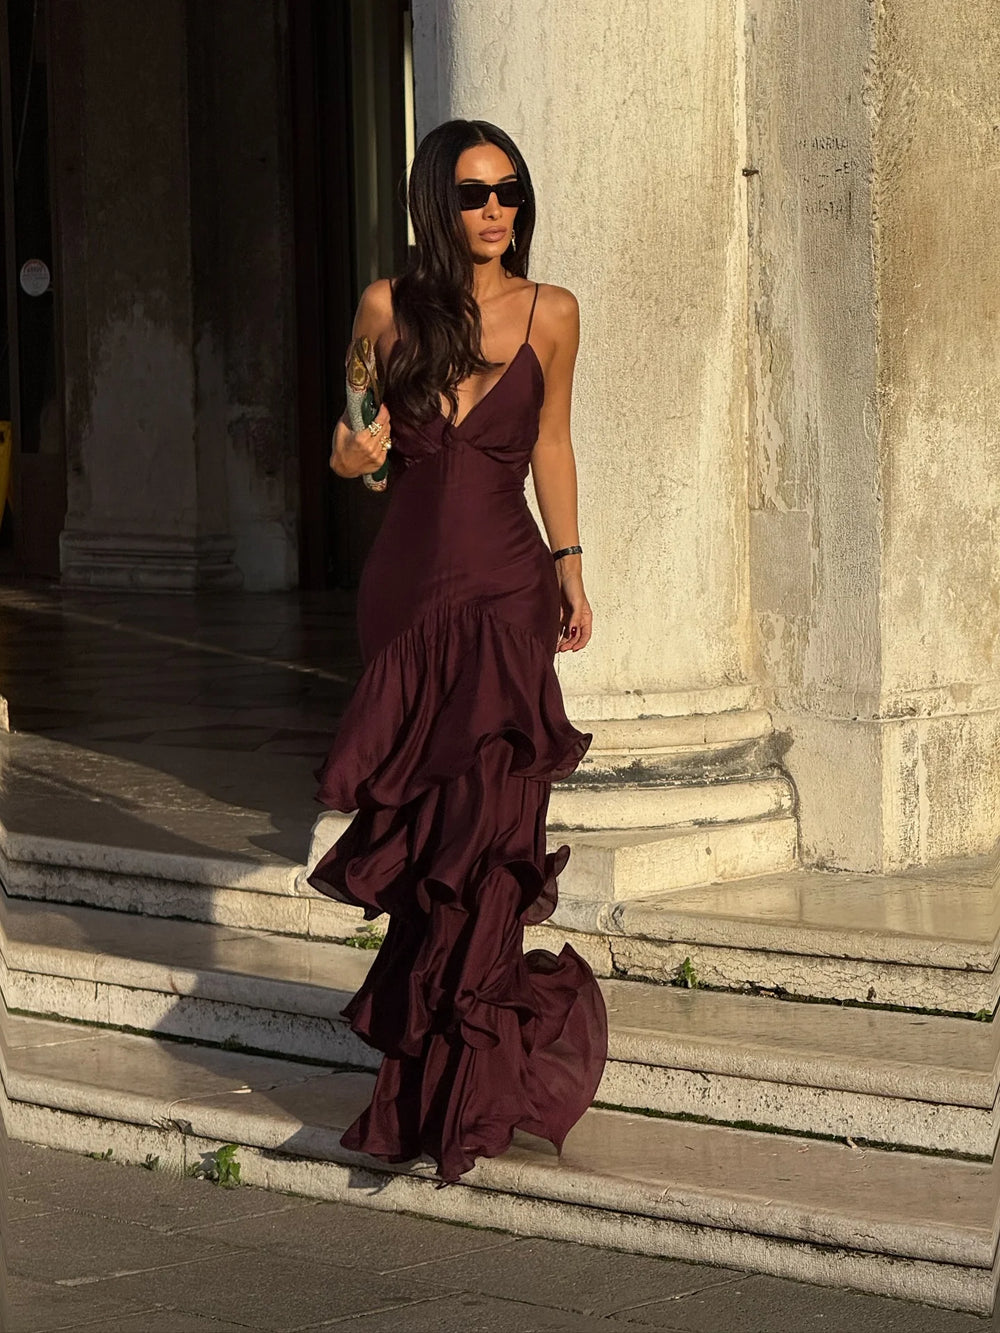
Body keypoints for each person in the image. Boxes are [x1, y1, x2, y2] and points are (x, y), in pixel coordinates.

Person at [308, 118, 608, 1185]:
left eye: (510, 191)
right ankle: (433, 1081)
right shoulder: (385, 309)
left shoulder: (553, 311)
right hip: (406, 599)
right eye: (476, 193)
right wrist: (358, 447)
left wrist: (571, 566)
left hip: (508, 592)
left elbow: (552, 442)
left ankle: (467, 1090)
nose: (496, 211)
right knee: (432, 841)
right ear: (437, 201)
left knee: (491, 832)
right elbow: (350, 443)